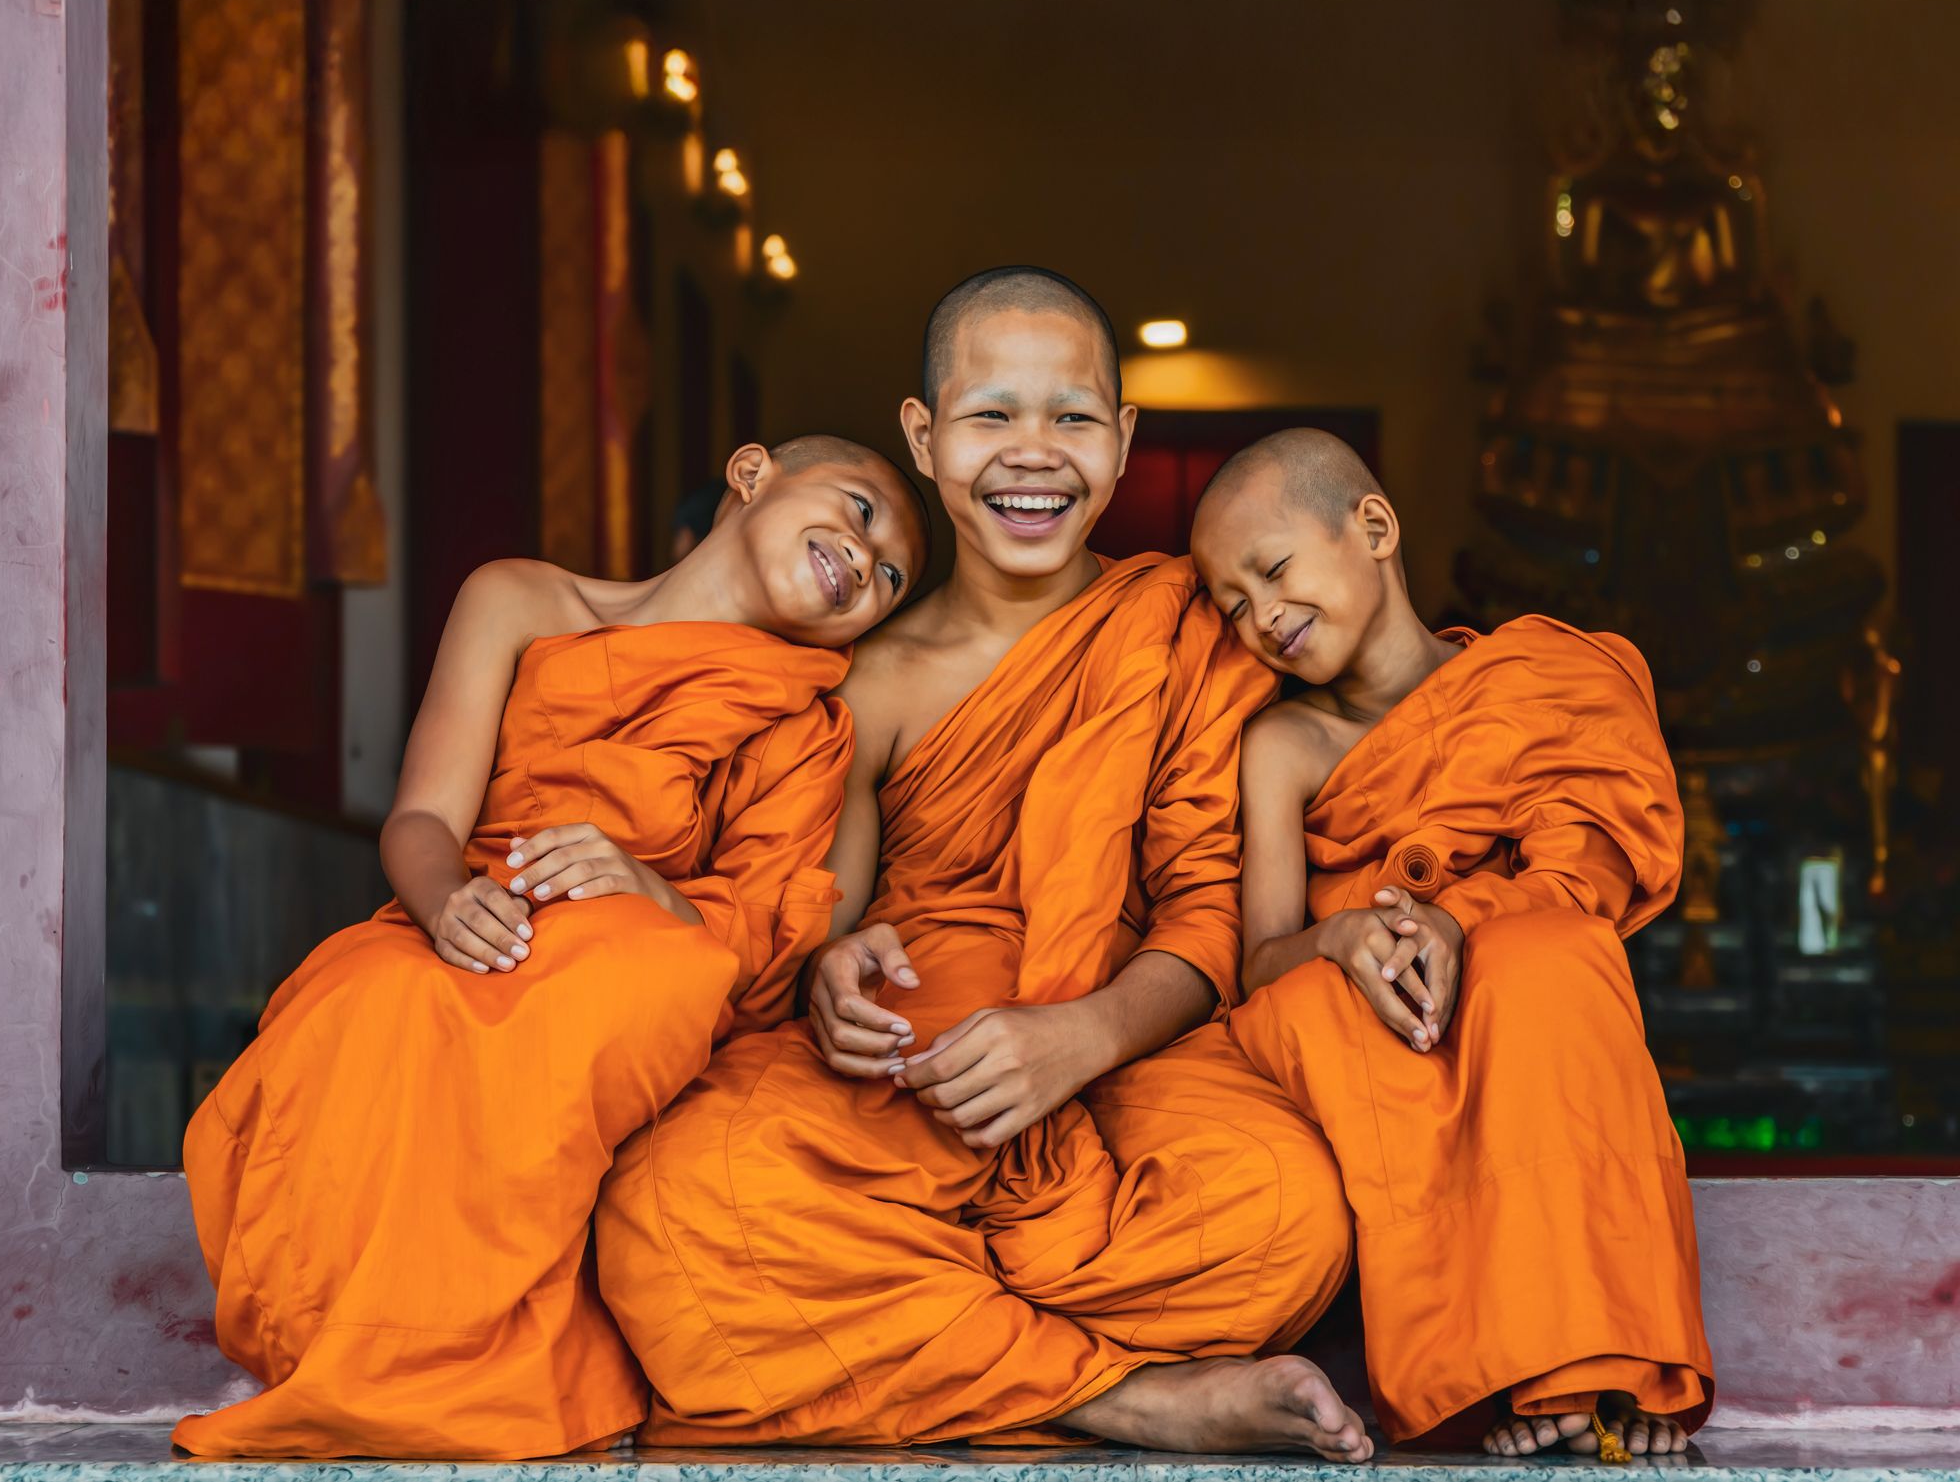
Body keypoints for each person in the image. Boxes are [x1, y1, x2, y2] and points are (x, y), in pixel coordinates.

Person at [595, 269, 1371, 1461]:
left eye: (1070, 419)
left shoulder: (1178, 630)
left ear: (1119, 444)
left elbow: (1205, 913)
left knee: (1289, 1215)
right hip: (915, 1076)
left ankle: (914, 1334)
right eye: (989, 415)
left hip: (1119, 1058)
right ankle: (1114, 1396)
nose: (1032, 454)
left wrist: (1087, 1035)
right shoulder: (866, 674)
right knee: (675, 1201)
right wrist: (831, 980)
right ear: (923, 437)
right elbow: (819, 916)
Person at [174, 435, 929, 1460]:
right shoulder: (519, 599)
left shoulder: (803, 723)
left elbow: (758, 939)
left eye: (888, 578)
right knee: (364, 1006)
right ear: (752, 475)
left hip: (633, 953)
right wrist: (448, 906)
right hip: (468, 922)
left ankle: (443, 1371)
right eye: (860, 508)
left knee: (643, 973)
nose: (865, 558)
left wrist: (652, 886)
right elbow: (421, 819)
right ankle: (377, 1356)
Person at [1190, 428, 1714, 1458]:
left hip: (1512, 977)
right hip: (1350, 1001)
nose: (1261, 615)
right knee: (1328, 1009)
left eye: (1274, 568)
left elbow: (1586, 874)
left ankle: (1598, 1358)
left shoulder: (1537, 679)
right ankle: (1494, 1375)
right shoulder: (1283, 746)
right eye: (1231, 603)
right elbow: (1257, 961)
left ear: (1372, 527)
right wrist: (1343, 936)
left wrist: (1454, 920)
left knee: (1552, 960)